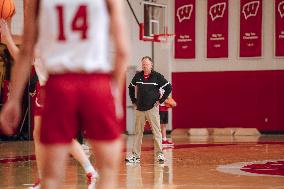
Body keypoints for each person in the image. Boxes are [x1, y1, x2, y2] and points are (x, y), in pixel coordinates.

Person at [0, 0, 129, 189]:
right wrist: (115, 95)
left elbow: (26, 50)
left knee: (51, 177)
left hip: (59, 85)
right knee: (108, 172)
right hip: (96, 83)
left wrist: (13, 101)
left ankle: (60, 176)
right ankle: (90, 171)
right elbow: (123, 52)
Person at [0, 19, 98, 189]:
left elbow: (21, 56)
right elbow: (22, 39)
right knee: (38, 134)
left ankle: (91, 171)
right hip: (44, 89)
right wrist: (7, 35)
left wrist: (7, 37)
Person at [126, 56, 172, 164]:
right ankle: (135, 156)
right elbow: (131, 87)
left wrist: (161, 101)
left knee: (157, 132)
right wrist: (133, 100)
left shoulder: (157, 76)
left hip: (152, 109)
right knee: (138, 133)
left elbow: (169, 87)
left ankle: (160, 154)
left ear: (151, 65)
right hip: (140, 109)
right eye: (143, 64)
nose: (144, 66)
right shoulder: (138, 76)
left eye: (146, 64)